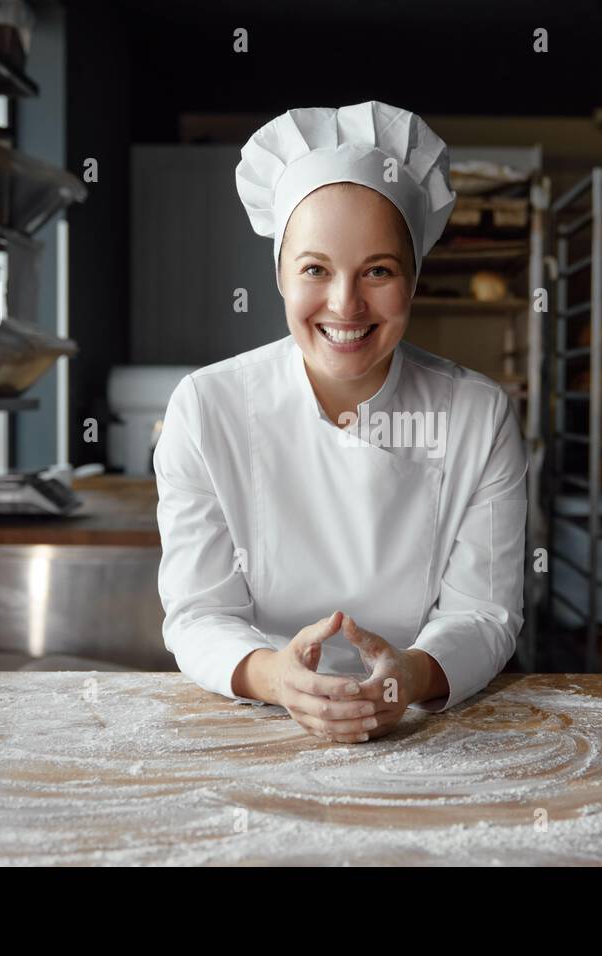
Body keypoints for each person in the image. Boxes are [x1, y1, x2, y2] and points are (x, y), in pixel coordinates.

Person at [154, 101, 527, 743]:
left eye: (378, 271)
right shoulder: (206, 407)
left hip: (427, 733)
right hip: (253, 728)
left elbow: (486, 613)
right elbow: (198, 613)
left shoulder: (477, 415)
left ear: (413, 282)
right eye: (315, 269)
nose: (344, 304)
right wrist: (275, 676)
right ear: (279, 275)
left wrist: (408, 675)